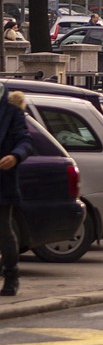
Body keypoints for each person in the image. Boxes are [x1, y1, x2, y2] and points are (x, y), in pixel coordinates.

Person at [0, 84, 32, 296]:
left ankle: (11, 276)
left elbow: (26, 141)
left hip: (2, 181)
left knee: (3, 231)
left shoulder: (12, 110)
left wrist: (15, 156)